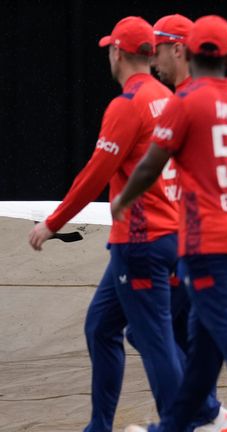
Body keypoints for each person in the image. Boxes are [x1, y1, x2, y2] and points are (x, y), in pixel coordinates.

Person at [114, 15, 227, 432]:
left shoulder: (186, 102)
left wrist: (124, 198)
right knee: (203, 353)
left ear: (189, 52)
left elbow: (151, 163)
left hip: (207, 246)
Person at [27, 16, 184, 432]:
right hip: (156, 235)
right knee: (101, 327)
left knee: (153, 339)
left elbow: (98, 171)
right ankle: (100, 426)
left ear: (117, 52)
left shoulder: (128, 104)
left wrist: (53, 222)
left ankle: (186, 421)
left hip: (141, 239)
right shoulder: (166, 98)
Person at [150, 13, 227, 431]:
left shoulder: (187, 103)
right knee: (179, 330)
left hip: (191, 240)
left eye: (157, 48)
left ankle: (203, 415)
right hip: (207, 238)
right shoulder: (218, 100)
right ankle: (205, 414)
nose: (151, 60)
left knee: (155, 328)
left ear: (179, 49)